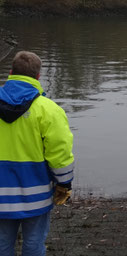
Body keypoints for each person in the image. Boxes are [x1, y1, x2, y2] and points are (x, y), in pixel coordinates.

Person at [0, 51, 74, 255]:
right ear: (38, 77)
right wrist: (64, 184)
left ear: (11, 72)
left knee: (2, 244)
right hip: (36, 193)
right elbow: (60, 152)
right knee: (33, 244)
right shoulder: (49, 110)